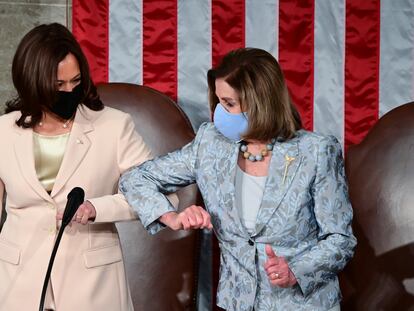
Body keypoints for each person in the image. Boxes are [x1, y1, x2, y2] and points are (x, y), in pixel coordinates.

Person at [120, 48, 357, 311]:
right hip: (236, 304)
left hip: (304, 304)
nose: (220, 112)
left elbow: (340, 239)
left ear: (261, 102)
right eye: (219, 101)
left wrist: (296, 270)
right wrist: (170, 216)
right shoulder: (210, 144)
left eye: (229, 104)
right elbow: (136, 178)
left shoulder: (316, 151)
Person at [0, 23, 152, 310]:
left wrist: (99, 208)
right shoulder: (3, 132)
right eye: (58, 85)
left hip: (93, 287)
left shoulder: (115, 126)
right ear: (32, 81)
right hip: (18, 285)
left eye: (76, 81)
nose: (69, 91)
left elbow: (158, 197)